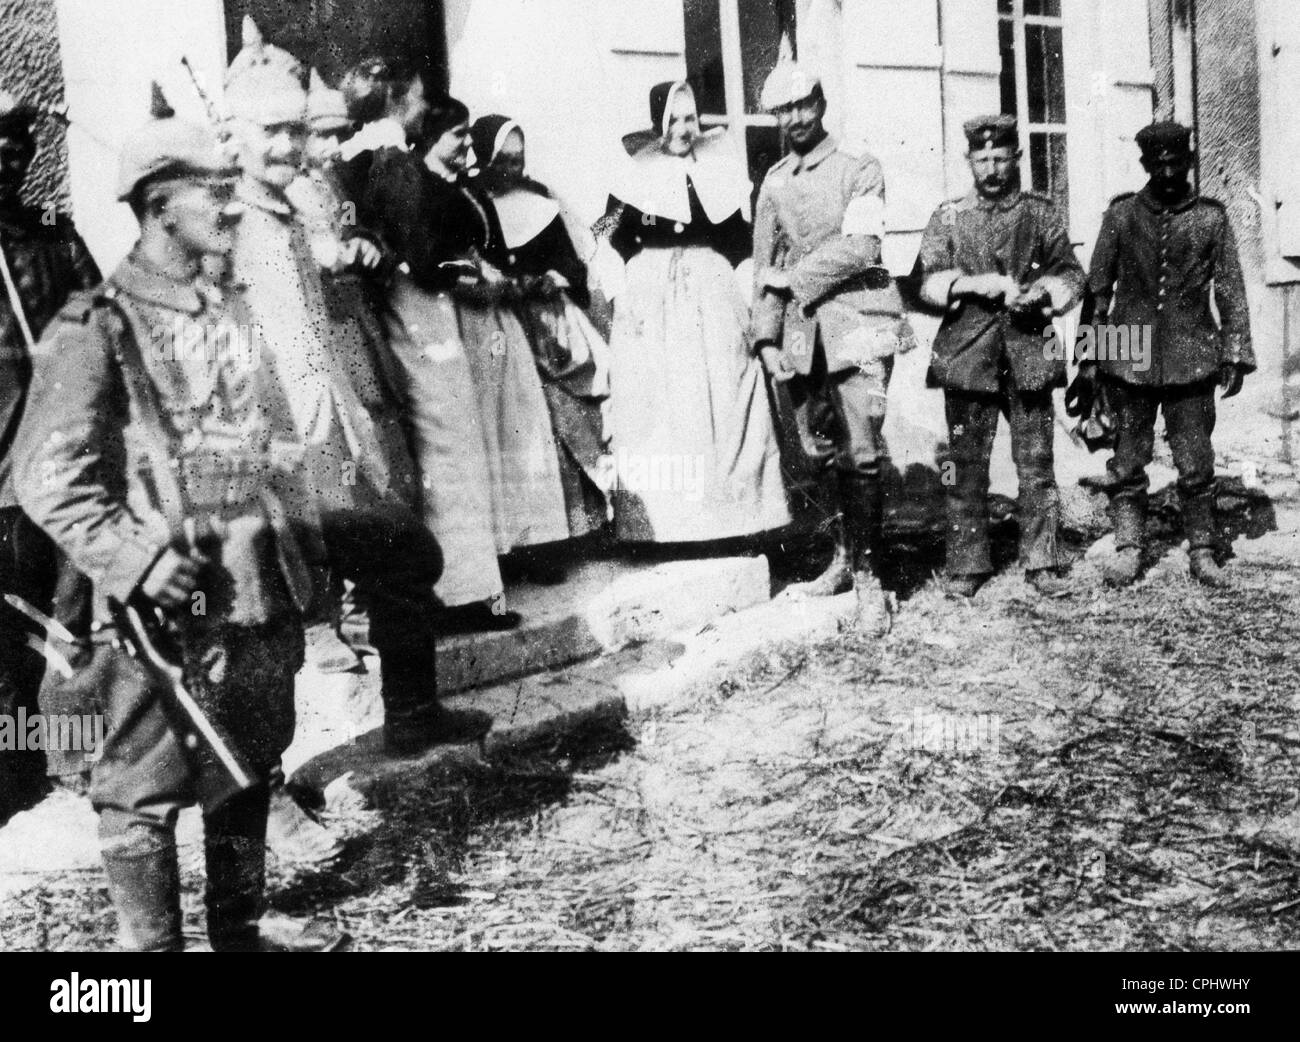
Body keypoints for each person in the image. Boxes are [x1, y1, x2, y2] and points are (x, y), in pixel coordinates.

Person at [12, 95, 337, 950]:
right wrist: (134, 561)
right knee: (142, 785)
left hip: (250, 575)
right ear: (159, 206)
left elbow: (271, 427)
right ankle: (148, 954)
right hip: (154, 605)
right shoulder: (94, 326)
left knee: (248, 750)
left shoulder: (227, 310)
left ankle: (242, 927)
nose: (232, 205)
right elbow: (47, 475)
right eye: (213, 190)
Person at [224, 20, 488, 757]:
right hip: (273, 453)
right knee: (266, 621)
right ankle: (263, 792)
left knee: (404, 554)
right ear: (232, 137)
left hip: (328, 435)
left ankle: (412, 719)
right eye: (270, 132)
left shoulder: (283, 216)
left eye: (294, 131)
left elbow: (317, 341)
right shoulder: (223, 224)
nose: (289, 146)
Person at [365, 96, 570, 581]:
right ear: (432, 139)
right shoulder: (424, 190)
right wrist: (479, 282)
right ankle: (497, 550)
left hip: (496, 318)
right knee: (483, 432)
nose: (464, 143)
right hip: (461, 318)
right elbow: (434, 263)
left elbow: (491, 249)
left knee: (518, 426)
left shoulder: (468, 191)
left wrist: (508, 281)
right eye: (456, 134)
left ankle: (531, 542)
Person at [751, 60, 916, 633]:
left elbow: (864, 245)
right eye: (782, 110)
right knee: (819, 451)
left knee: (864, 450)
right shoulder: (773, 181)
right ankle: (843, 559)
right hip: (801, 334)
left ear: (821, 105)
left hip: (862, 322)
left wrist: (793, 280)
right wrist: (765, 336)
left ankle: (872, 580)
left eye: (803, 105)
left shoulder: (859, 166)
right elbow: (764, 266)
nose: (794, 118)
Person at [605, 81, 790, 544]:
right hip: (653, 303)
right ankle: (668, 528)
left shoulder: (718, 172)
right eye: (673, 120)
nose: (684, 129)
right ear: (657, 124)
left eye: (690, 119)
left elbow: (739, 242)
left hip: (713, 296)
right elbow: (603, 238)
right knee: (665, 410)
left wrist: (751, 299)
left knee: (726, 398)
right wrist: (621, 295)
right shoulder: (632, 176)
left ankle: (735, 522)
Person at [1072, 120, 1254, 587]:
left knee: (1196, 463)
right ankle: (1130, 547)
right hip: (1127, 353)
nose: (1168, 170)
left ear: (1189, 161)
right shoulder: (1122, 215)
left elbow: (1231, 289)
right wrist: (1089, 361)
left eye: (1176, 161)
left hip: (1191, 355)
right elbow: (1097, 292)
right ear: (1146, 165)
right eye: (1159, 162)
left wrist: (1234, 352)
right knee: (1127, 460)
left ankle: (1203, 550)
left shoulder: (1212, 217)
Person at [918, 114, 1085, 598]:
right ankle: (967, 563)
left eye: (1000, 157)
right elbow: (925, 281)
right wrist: (973, 284)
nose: (991, 167)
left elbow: (1073, 275)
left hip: (1031, 349)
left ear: (1016, 157)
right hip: (967, 354)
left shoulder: (1041, 213)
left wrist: (1045, 293)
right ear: (969, 160)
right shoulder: (948, 215)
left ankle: (1043, 560)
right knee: (963, 463)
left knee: (1036, 462)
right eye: (981, 158)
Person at [0, 86, 101, 819]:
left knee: (67, 619)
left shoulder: (53, 236)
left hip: (60, 468)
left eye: (19, 139)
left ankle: (72, 756)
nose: (8, 153)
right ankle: (15, 766)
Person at [470, 114, 611, 543]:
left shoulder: (540, 199)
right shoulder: (472, 201)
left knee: (573, 417)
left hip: (550, 324)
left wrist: (554, 277)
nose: (513, 170)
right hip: (501, 323)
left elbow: (571, 260)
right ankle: (536, 538)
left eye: (519, 160)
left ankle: (583, 528)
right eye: (504, 161)